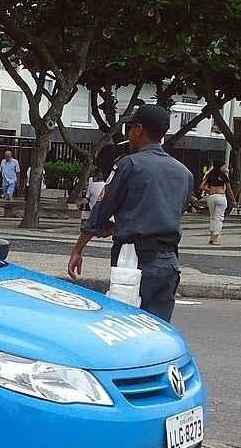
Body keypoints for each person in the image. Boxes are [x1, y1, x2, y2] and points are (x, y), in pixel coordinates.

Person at [67, 105, 192, 322]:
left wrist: (78, 250)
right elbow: (167, 212)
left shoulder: (129, 164)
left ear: (139, 129)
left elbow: (101, 211)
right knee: (158, 326)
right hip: (169, 261)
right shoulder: (184, 173)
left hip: (133, 257)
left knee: (125, 324)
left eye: (130, 128)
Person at [201, 162, 230, 245]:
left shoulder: (209, 175)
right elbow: (229, 189)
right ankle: (215, 238)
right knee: (219, 218)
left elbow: (201, 186)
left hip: (211, 197)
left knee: (212, 217)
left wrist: (209, 190)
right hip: (221, 196)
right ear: (221, 167)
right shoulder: (223, 176)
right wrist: (233, 200)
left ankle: (211, 237)